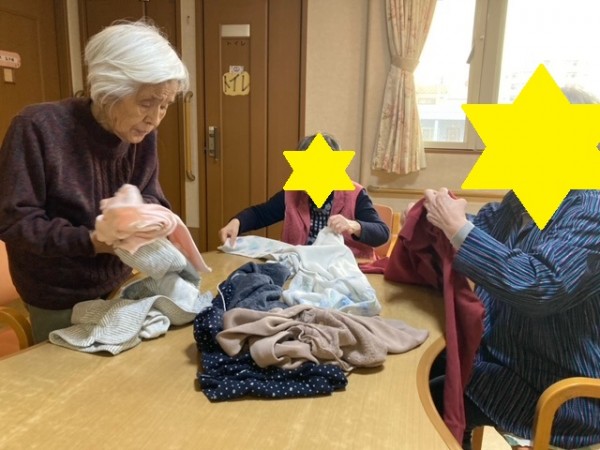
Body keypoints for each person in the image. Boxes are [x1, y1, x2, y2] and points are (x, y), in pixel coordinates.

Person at [424, 89, 600, 449]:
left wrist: (459, 230)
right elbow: (486, 228)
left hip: (557, 386)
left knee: (428, 403)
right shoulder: (526, 198)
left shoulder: (590, 207)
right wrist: (445, 218)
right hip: (506, 355)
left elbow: (540, 284)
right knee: (418, 369)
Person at [0, 20, 189, 343]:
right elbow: (15, 222)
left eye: (165, 105)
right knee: (67, 373)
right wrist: (91, 241)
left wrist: (144, 218)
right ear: (107, 91)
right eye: (146, 103)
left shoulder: (141, 133)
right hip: (56, 292)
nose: (155, 118)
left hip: (120, 279)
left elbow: (152, 195)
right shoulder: (36, 128)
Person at [218, 133, 390, 260]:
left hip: (347, 269)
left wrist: (353, 225)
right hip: (302, 267)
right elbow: (260, 214)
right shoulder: (292, 194)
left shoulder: (355, 194)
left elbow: (382, 233)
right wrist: (237, 222)